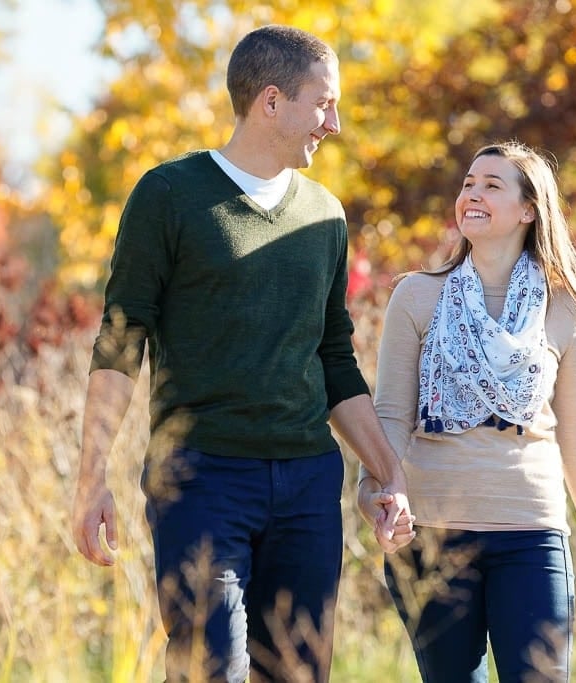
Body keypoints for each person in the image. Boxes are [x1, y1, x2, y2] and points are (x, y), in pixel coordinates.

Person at [70, 25, 412, 683]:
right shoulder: (169, 195)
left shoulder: (325, 216)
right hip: (201, 479)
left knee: (296, 673)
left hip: (309, 481)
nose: (334, 124)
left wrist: (386, 470)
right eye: (324, 103)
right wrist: (91, 479)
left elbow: (334, 356)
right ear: (272, 101)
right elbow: (120, 342)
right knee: (209, 669)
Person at [358, 141, 576, 682]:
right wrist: (378, 493)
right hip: (431, 535)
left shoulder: (565, 306)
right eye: (468, 184)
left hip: (532, 533)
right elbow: (389, 419)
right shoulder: (415, 296)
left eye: (491, 185)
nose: (471, 194)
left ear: (529, 209)